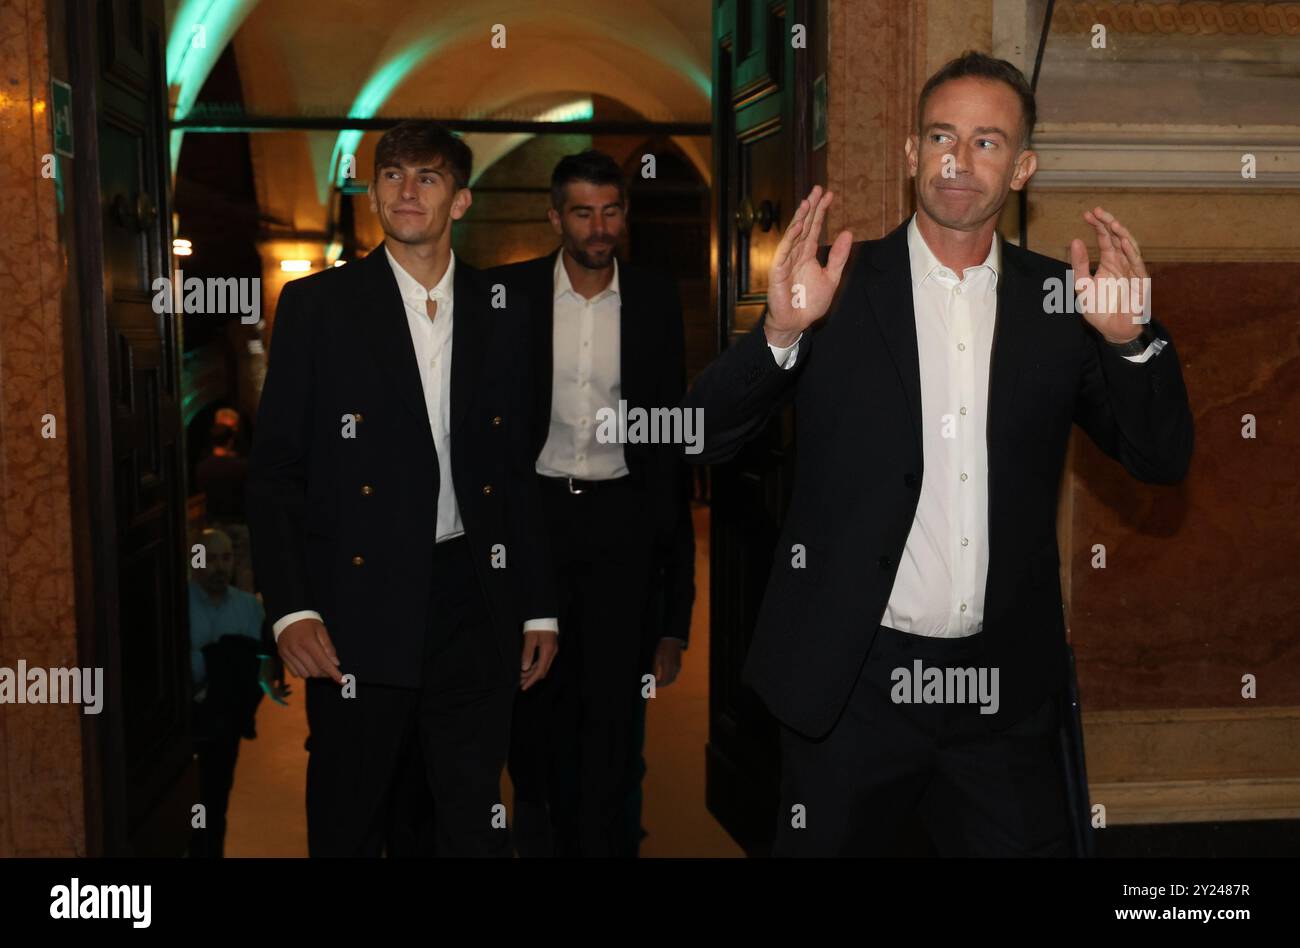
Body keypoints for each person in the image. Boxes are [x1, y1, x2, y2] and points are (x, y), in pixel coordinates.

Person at [681, 51, 1193, 857]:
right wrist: (779, 334)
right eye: (942, 136)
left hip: (1001, 698)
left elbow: (1161, 459)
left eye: (988, 142)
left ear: (1022, 167)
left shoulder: (1061, 302)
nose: (960, 160)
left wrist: (1131, 345)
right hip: (851, 688)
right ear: (911, 153)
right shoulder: (835, 288)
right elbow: (703, 436)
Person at [247, 121, 558, 857]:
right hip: (359, 603)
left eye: (426, 176)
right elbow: (276, 472)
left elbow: (520, 470)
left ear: (461, 200)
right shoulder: (317, 307)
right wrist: (290, 607)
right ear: (372, 190)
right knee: (353, 815)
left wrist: (540, 604)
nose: (405, 190)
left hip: (473, 600)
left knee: (467, 817)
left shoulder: (503, 310)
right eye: (391, 174)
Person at [490, 151, 695, 857]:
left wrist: (675, 617)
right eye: (583, 211)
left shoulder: (654, 300)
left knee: (612, 724)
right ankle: (539, 828)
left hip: (621, 529)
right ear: (556, 217)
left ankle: (606, 843)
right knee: (530, 711)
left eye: (612, 210)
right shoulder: (508, 297)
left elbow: (671, 449)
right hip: (534, 521)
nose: (599, 226)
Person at [188, 528, 281, 857]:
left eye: (225, 558)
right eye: (210, 558)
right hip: (186, 722)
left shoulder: (247, 608)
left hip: (225, 723)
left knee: (215, 804)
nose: (219, 567)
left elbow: (260, 664)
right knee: (186, 808)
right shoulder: (178, 607)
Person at [196, 422, 254, 592]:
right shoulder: (242, 466)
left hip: (214, 524)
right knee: (244, 569)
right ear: (230, 441)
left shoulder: (203, 468)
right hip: (240, 523)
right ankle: (245, 609)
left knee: (212, 567)